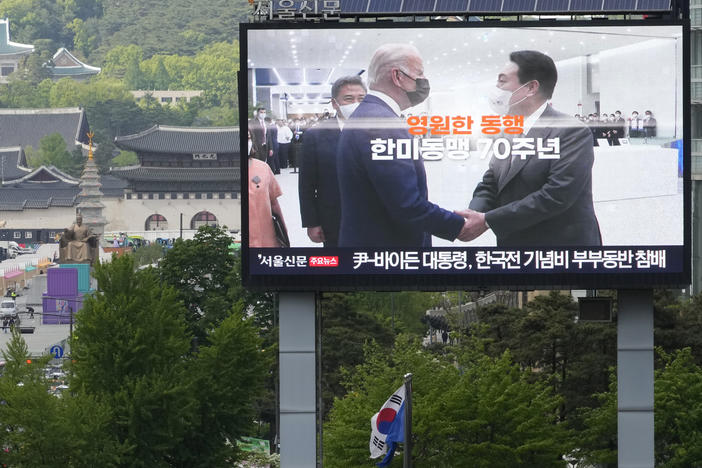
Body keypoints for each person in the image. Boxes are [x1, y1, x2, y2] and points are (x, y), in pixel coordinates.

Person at [462, 50, 601, 247]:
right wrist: (473, 213)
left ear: (531, 87)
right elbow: (492, 179)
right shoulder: (509, 129)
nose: (496, 88)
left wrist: (487, 220)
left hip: (560, 248)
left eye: (502, 81)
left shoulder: (571, 131)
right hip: (514, 243)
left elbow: (556, 196)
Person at [336, 43, 470, 247]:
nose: (423, 80)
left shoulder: (371, 114)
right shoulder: (382, 124)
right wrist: (459, 226)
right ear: (398, 76)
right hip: (388, 253)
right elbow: (406, 205)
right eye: (419, 73)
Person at [299, 76, 367, 247]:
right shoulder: (315, 136)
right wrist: (312, 222)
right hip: (334, 219)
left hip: (375, 219)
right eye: (349, 99)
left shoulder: (381, 132)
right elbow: (306, 185)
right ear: (335, 103)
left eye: (362, 98)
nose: (356, 103)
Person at [248, 130, 288, 247]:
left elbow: (274, 204)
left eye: (249, 138)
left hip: (266, 243)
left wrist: (284, 235)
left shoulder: (263, 168)